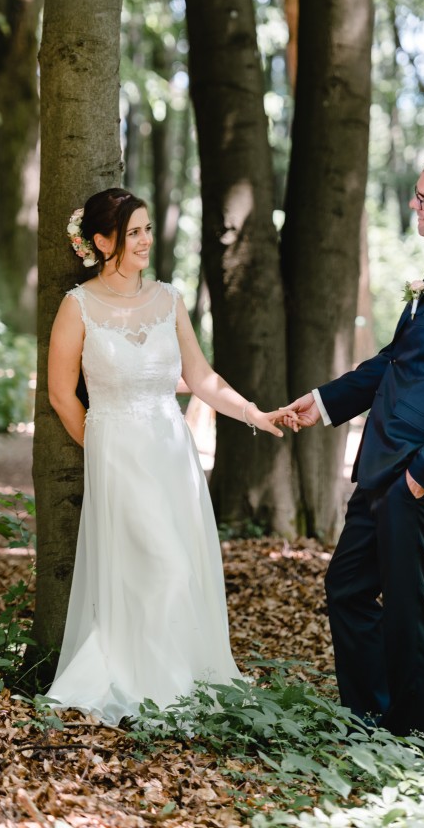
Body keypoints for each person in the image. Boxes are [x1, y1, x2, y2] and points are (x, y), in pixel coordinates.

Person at [283, 150, 424, 736]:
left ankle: (405, 732)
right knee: (347, 589)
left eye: (423, 198)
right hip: (381, 465)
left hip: (416, 474)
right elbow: (395, 362)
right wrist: (325, 401)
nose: (414, 204)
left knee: (409, 607)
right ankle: (367, 714)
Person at [44, 187, 286, 726]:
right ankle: (155, 690)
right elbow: (62, 394)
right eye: (133, 233)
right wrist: (103, 447)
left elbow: (200, 379)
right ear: (102, 241)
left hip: (172, 458)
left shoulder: (169, 299)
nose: (145, 241)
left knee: (177, 569)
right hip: (116, 457)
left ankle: (181, 683)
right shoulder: (77, 305)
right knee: (163, 567)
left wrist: (256, 414)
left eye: (148, 230)